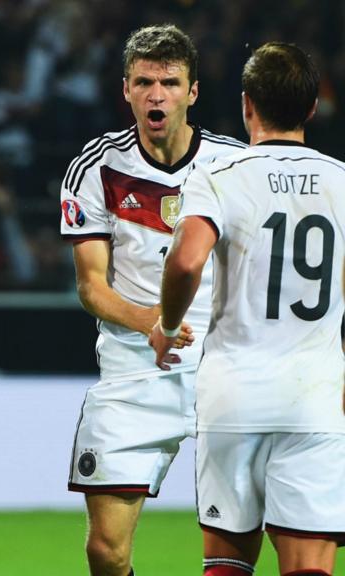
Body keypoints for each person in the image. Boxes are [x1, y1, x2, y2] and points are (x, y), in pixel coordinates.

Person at [150, 42, 345, 576]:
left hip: (233, 395)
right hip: (315, 399)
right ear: (311, 109)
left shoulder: (218, 174)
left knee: (226, 565)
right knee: (309, 566)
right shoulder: (342, 183)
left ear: (246, 105)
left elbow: (187, 261)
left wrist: (166, 326)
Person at [58, 25, 246, 576]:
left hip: (225, 369)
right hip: (135, 371)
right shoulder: (95, 168)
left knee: (237, 547)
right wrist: (153, 323)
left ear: (192, 92)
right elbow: (91, 286)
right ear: (126, 90)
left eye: (169, 82)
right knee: (105, 551)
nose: (156, 94)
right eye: (144, 82)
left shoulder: (235, 165)